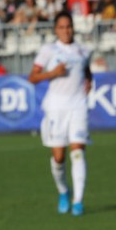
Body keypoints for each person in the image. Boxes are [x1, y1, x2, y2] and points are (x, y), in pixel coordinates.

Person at [28, 11, 93, 216]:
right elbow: (33, 77)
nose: (66, 30)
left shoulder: (83, 50)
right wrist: (53, 73)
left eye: (69, 26)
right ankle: (64, 191)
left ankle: (78, 201)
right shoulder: (49, 50)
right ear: (56, 30)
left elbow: (87, 70)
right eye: (62, 27)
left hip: (78, 106)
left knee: (77, 152)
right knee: (58, 157)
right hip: (55, 107)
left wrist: (89, 82)